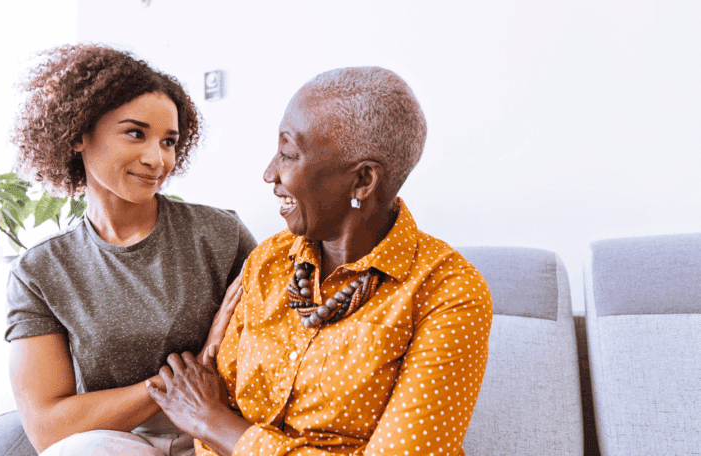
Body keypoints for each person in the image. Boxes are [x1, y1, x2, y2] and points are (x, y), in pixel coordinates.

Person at [145, 67, 493, 456]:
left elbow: (209, 417)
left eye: (288, 154)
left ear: (362, 181)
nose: (269, 173)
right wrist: (213, 422)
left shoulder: (448, 292)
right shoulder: (269, 261)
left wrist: (217, 425)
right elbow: (213, 405)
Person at [5, 44, 256, 455]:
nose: (157, 159)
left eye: (169, 141)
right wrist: (181, 377)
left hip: (222, 430)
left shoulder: (221, 234)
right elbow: (48, 428)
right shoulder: (40, 271)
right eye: (135, 133)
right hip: (120, 441)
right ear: (79, 134)